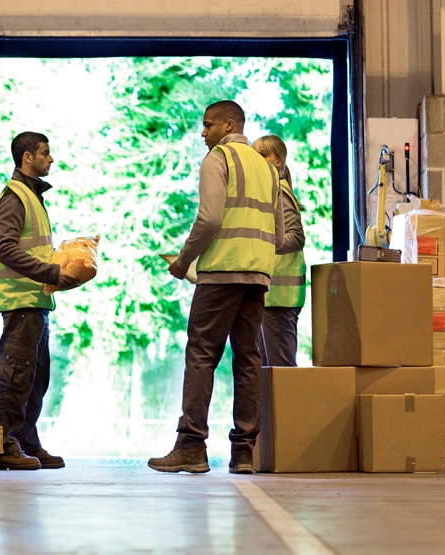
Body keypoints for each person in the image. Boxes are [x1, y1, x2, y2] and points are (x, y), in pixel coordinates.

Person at [148, 101, 283, 475]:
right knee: (248, 359)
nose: (202, 133)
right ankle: (244, 453)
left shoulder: (217, 159)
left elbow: (209, 219)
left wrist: (182, 261)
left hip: (221, 273)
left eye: (207, 125)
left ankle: (191, 446)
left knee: (202, 356)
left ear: (228, 125)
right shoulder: (268, 169)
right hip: (256, 277)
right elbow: (283, 234)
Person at [0, 131, 78, 471]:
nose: (51, 159)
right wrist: (51, 274)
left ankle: (25, 440)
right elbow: (6, 249)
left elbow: (32, 248)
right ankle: (1, 446)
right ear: (28, 157)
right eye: (45, 153)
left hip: (37, 303)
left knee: (36, 378)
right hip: (21, 303)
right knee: (14, 377)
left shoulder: (32, 196)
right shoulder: (14, 197)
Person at [252, 135, 307, 367]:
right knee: (268, 372)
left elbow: (296, 238)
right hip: (272, 298)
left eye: (262, 154)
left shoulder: (280, 193)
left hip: (280, 298)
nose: (256, 160)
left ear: (278, 161)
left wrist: (261, 244)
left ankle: (288, 406)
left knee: (280, 372)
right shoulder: (271, 191)